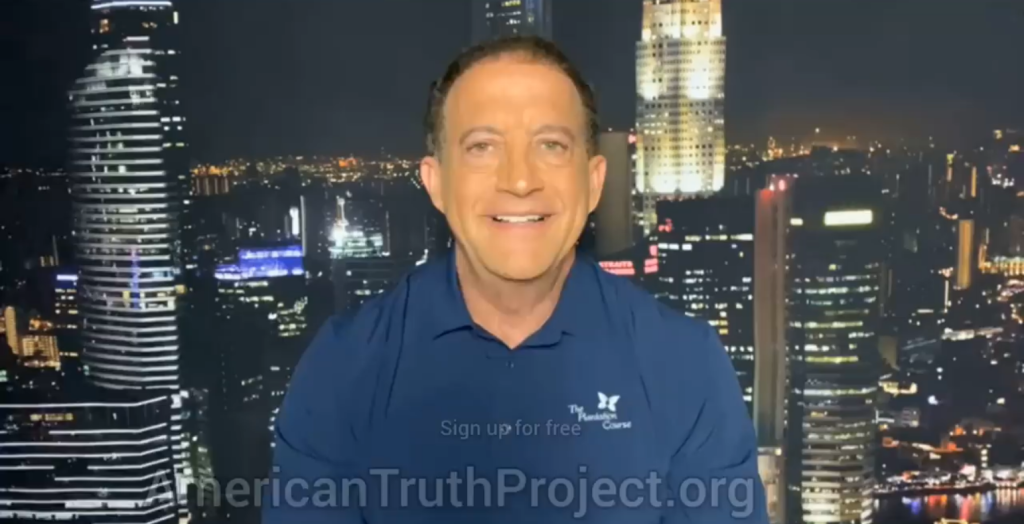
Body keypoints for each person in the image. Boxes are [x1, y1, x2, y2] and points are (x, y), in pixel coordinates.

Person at [263, 36, 767, 524]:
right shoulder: (345, 367)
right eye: (482, 147)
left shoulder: (685, 364)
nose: (520, 180)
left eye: (551, 145)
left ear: (594, 182)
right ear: (436, 183)